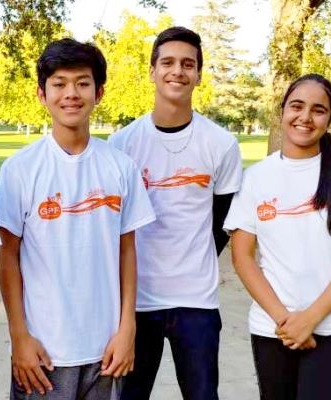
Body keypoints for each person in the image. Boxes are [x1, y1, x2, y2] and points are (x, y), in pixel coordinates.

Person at [0, 38, 156, 400]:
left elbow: (127, 251)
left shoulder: (120, 167)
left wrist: (127, 327)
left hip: (106, 351)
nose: (71, 93)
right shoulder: (19, 169)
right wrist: (19, 336)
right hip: (43, 352)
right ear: (42, 94)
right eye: (59, 84)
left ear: (99, 92)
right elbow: (7, 257)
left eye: (82, 83)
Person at [223, 73, 331, 400]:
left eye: (318, 110)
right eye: (297, 106)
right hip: (273, 327)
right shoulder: (255, 178)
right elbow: (242, 257)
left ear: (330, 119)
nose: (305, 117)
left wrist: (310, 319)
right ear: (282, 111)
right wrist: (286, 321)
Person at [109, 26, 243, 400]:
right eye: (167, 62)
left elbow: (222, 222)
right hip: (136, 301)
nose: (177, 71)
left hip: (196, 302)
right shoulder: (121, 144)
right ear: (152, 71)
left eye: (188, 64)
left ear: (198, 74)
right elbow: (114, 225)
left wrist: (190, 259)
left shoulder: (221, 144)